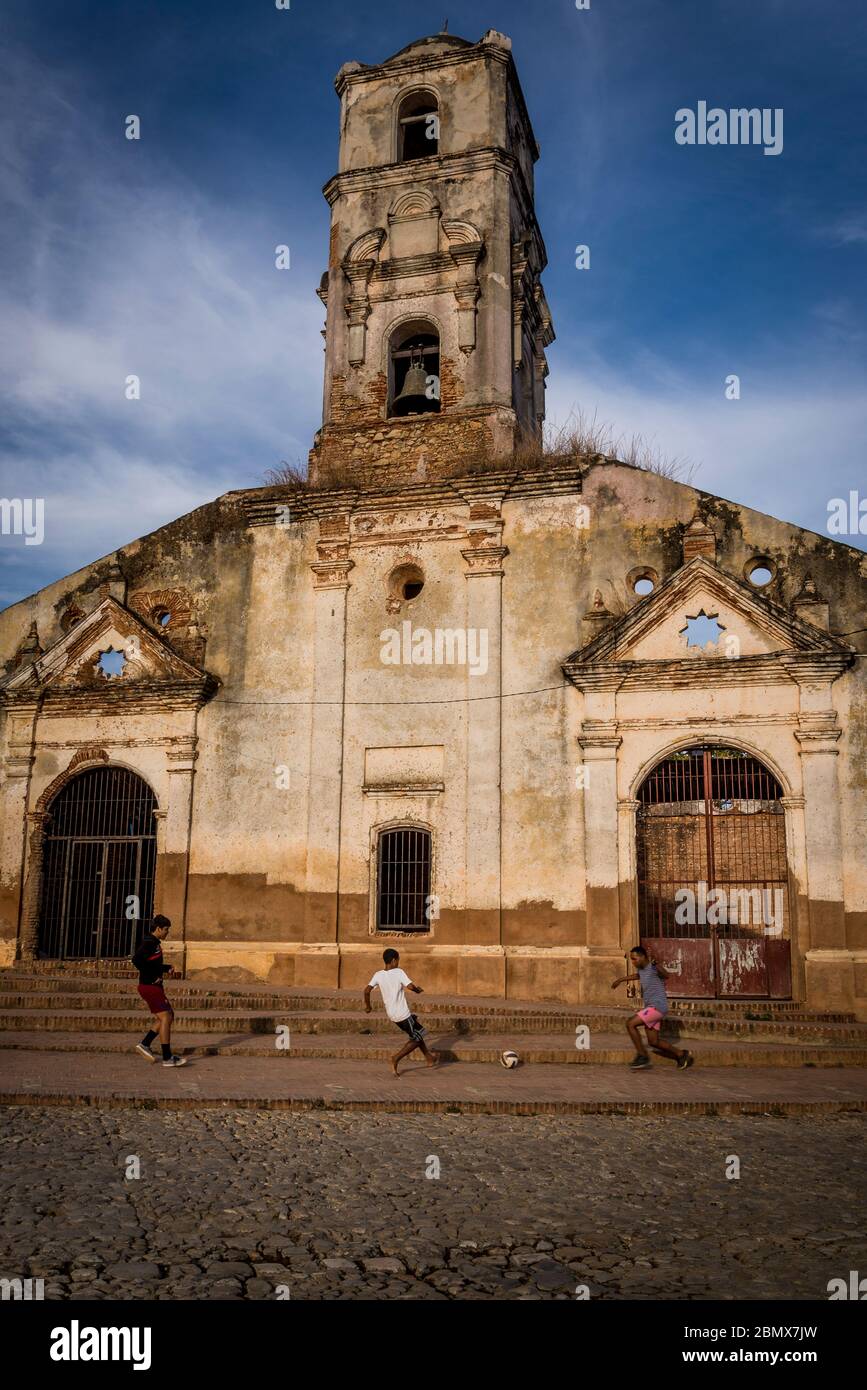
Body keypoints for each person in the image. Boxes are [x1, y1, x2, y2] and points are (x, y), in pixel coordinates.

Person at [611, 945, 693, 1070]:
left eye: (634, 959)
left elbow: (665, 975)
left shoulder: (653, 968)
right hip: (652, 1007)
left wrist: (657, 965)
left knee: (630, 1024)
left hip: (657, 1006)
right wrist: (620, 980)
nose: (633, 962)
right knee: (653, 1042)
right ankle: (682, 1054)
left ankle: (642, 1056)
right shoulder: (642, 970)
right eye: (631, 959)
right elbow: (637, 976)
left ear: (643, 957)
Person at [364, 949, 437, 1076]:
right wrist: (417, 990)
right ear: (393, 960)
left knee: (416, 1032)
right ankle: (396, 1058)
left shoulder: (378, 974)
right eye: (398, 960)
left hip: (392, 1014)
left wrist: (368, 1007)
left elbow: (366, 991)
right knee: (420, 1034)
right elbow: (410, 986)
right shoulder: (398, 972)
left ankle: (429, 1057)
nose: (398, 963)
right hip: (402, 1014)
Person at [132, 914, 187, 1067]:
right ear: (158, 929)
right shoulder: (149, 942)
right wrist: (151, 977)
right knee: (166, 1016)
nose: (167, 932)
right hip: (149, 986)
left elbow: (151, 963)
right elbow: (136, 960)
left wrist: (165, 968)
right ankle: (167, 1057)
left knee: (168, 1016)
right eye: (166, 929)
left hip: (152, 986)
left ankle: (145, 1044)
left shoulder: (154, 942)